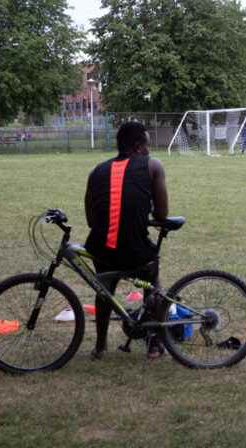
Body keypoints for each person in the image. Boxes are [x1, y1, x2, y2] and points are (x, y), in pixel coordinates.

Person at [84, 121, 169, 360]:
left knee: (104, 291)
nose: (149, 150)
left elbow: (91, 219)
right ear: (137, 147)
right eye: (147, 145)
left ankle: (100, 346)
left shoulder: (96, 171)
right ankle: (154, 344)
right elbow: (162, 215)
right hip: (136, 251)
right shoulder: (153, 166)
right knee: (152, 287)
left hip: (102, 250)